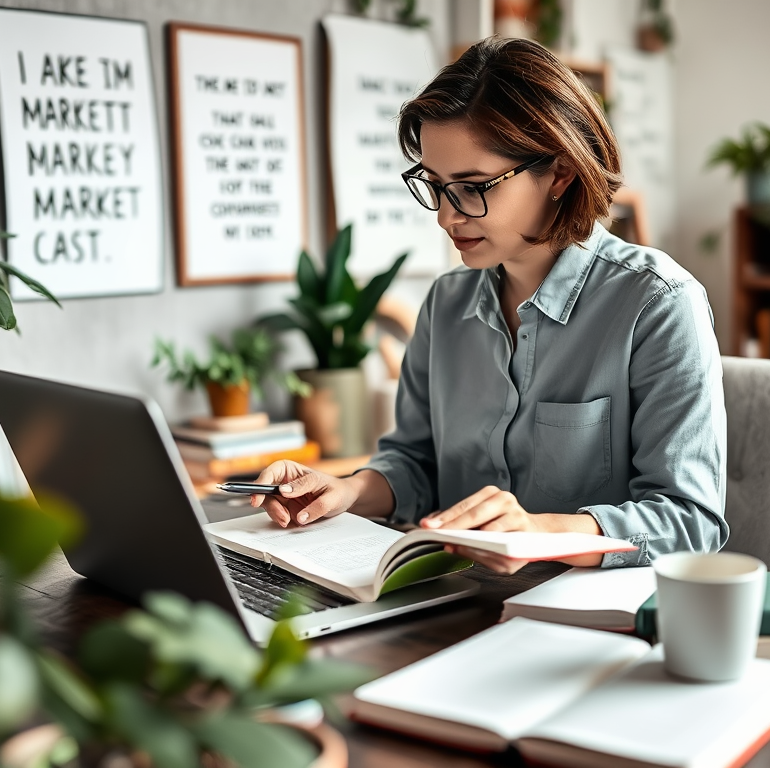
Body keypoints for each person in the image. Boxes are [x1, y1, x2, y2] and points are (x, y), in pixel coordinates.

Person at [250, 36, 727, 574]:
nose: (446, 218)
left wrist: (538, 532)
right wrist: (345, 490)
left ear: (560, 172)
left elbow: (690, 521)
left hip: (590, 622)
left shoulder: (657, 304)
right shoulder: (445, 304)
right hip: (455, 600)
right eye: (435, 186)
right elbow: (413, 463)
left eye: (473, 187)